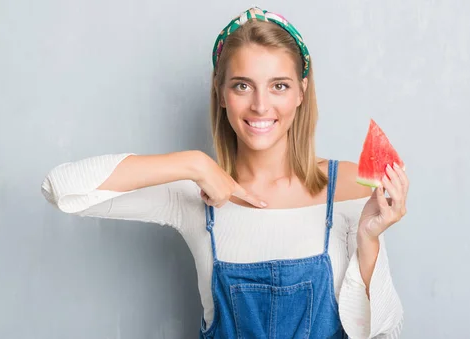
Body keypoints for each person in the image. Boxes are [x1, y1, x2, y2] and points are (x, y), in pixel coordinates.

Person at [41, 6, 407, 339]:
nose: (261, 105)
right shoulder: (192, 194)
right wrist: (193, 164)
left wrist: (369, 240)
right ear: (220, 93)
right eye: (242, 86)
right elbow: (61, 188)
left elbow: (384, 333)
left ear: (301, 92)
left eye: (279, 85)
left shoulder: (346, 187)